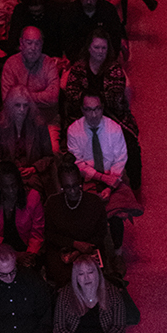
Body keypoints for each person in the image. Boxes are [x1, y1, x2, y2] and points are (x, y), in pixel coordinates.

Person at [63, 29, 139, 187]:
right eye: (96, 47)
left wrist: (91, 101)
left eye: (103, 48)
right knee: (71, 146)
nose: (100, 51)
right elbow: (71, 94)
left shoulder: (114, 69)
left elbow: (114, 98)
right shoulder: (78, 68)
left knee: (130, 144)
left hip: (112, 114)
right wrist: (90, 105)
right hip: (82, 113)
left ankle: (132, 185)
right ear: (89, 48)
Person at [66, 92, 139, 251]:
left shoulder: (114, 129)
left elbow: (120, 160)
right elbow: (78, 163)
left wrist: (109, 187)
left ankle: (117, 249)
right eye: (89, 110)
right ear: (82, 110)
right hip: (89, 178)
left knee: (116, 213)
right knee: (89, 210)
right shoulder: (74, 131)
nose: (93, 115)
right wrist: (101, 178)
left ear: (102, 108)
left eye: (97, 109)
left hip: (113, 176)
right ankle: (94, 249)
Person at [44, 159, 114, 287]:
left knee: (92, 278)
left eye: (75, 185)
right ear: (61, 186)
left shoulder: (94, 202)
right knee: (66, 279)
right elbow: (49, 234)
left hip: (90, 247)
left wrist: (82, 249)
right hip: (63, 249)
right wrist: (74, 244)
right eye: (67, 187)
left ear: (80, 182)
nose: (72, 191)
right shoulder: (53, 203)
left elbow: (101, 232)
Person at [1, 26, 63, 142]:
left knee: (53, 150)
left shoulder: (49, 64)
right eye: (29, 43)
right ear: (21, 43)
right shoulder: (11, 64)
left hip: (47, 121)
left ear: (42, 44)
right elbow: (7, 100)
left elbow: (53, 98)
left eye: (37, 43)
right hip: (16, 122)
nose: (33, 48)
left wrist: (22, 96)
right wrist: (40, 97)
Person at [0, 161, 45, 261]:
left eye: (14, 185)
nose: (11, 191)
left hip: (25, 248)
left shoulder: (33, 197)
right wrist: (14, 255)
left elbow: (37, 234)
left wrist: (30, 255)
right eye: (6, 187)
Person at [0, 88, 55, 190]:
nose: (22, 110)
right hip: (9, 176)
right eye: (17, 105)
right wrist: (10, 171)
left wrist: (34, 168)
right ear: (10, 106)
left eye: (25, 105)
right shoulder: (1, 126)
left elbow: (49, 156)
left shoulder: (39, 125)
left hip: (33, 175)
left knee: (32, 187)